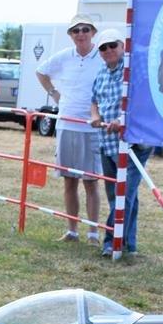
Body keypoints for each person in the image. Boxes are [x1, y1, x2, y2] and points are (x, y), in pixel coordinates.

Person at [36, 14, 104, 245]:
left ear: (93, 32)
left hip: (91, 127)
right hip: (66, 123)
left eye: (85, 29)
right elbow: (41, 72)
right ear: (70, 35)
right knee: (69, 180)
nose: (81, 34)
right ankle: (72, 230)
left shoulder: (101, 56)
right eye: (76, 30)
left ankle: (93, 233)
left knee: (91, 181)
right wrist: (55, 95)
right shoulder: (64, 56)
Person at [89, 28, 151, 257]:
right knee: (120, 196)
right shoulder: (101, 73)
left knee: (123, 195)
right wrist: (95, 116)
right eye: (103, 48)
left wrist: (122, 120)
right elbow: (94, 100)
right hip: (107, 142)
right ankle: (129, 244)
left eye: (112, 45)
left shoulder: (134, 67)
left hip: (132, 144)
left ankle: (110, 242)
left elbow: (144, 99)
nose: (108, 50)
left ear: (123, 46)